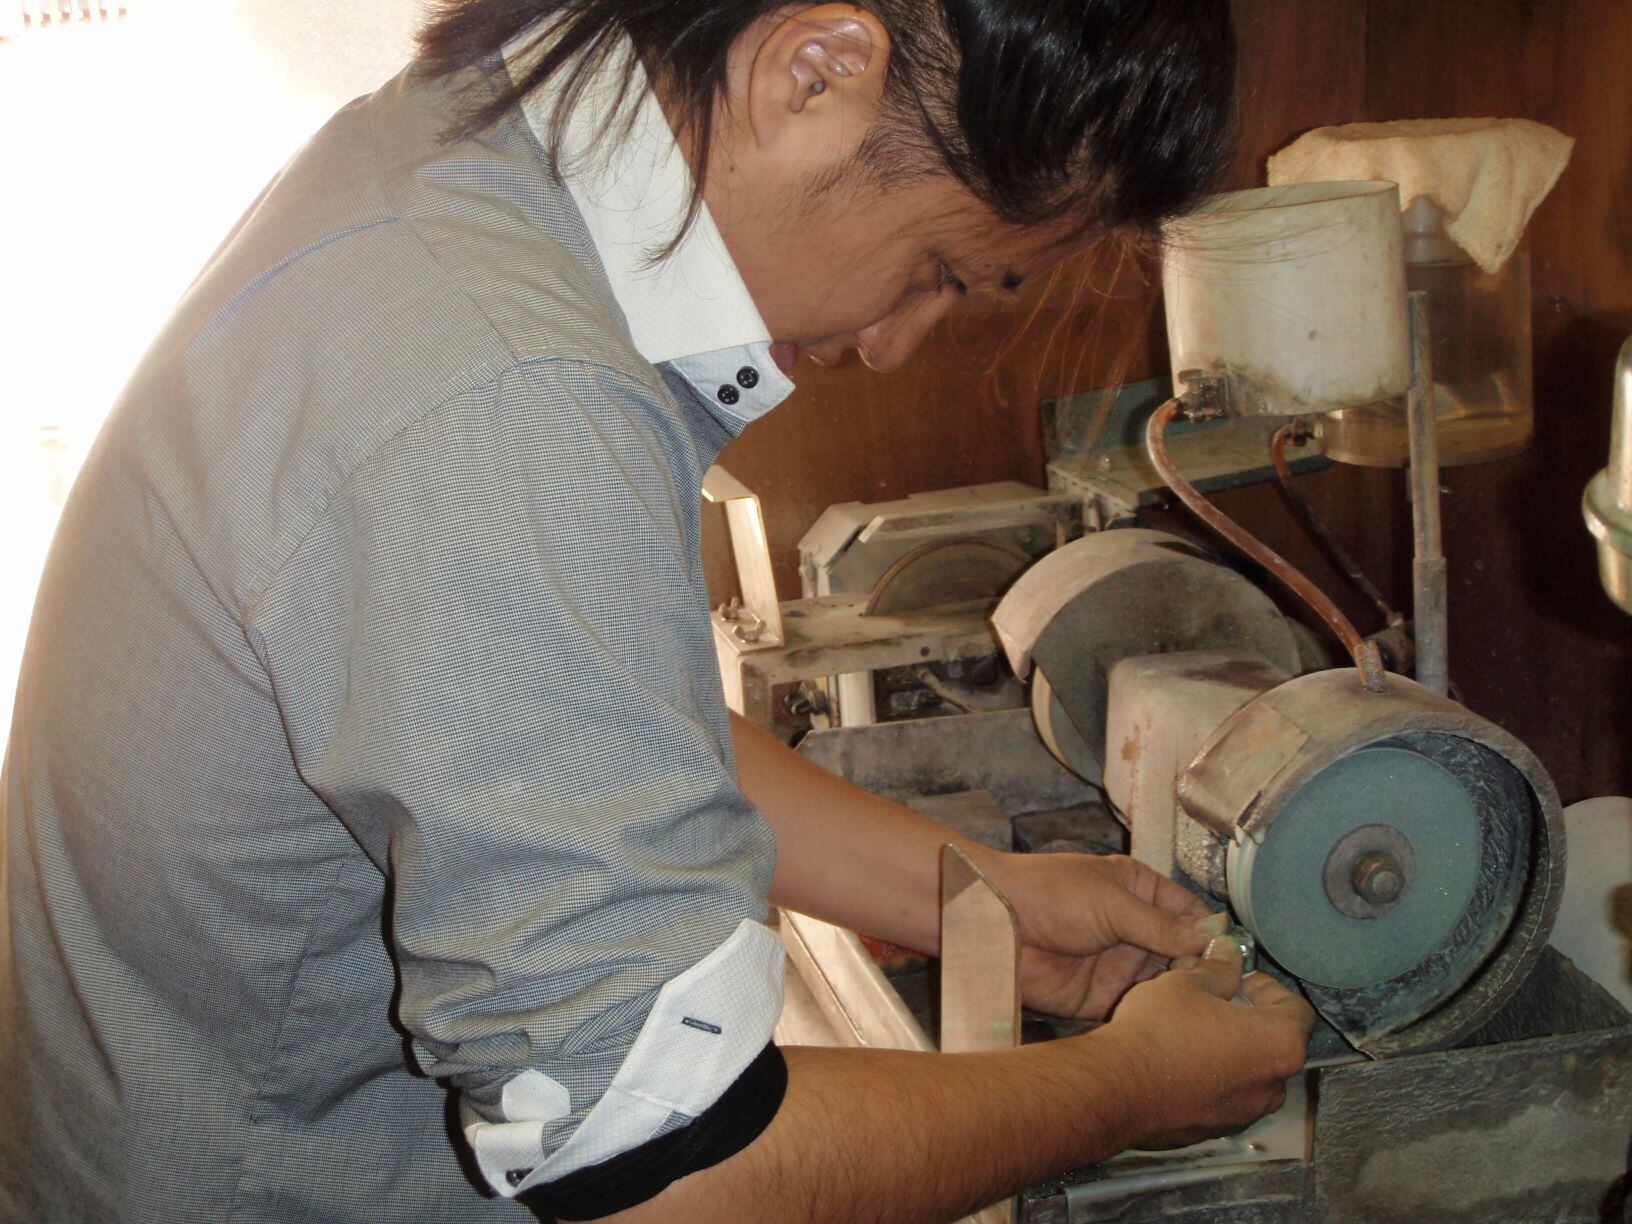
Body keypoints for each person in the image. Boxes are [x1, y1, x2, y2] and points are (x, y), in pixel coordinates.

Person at [0, 1, 1315, 1220]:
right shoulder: (507, 389)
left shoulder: (465, 154)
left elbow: (590, 725)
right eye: (943, 268)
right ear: (812, 73)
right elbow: (674, 1186)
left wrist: (977, 898)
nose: (892, 344)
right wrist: (1131, 1089)